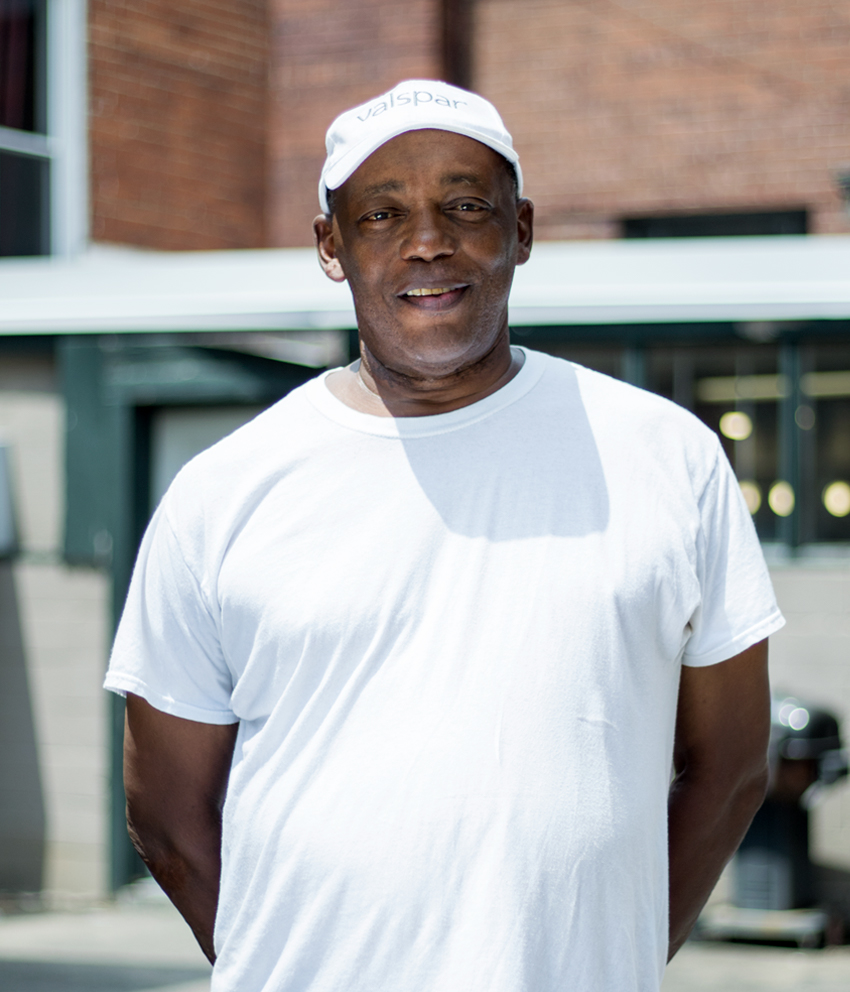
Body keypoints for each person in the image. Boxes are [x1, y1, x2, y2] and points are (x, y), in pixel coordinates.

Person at [105, 79, 784, 992]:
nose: (428, 241)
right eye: (382, 214)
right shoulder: (226, 490)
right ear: (329, 246)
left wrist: (604, 957)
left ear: (524, 230)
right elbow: (166, 809)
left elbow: (733, 768)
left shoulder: (666, 458)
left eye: (466, 205)